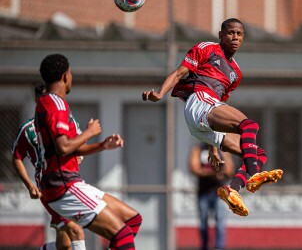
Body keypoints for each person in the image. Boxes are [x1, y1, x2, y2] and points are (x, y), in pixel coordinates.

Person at [142, 18, 283, 216]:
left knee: (259, 154)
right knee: (249, 125)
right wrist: (160, 93)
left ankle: (232, 189)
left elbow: (218, 113)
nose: (235, 37)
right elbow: (178, 74)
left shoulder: (236, 73)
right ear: (221, 35)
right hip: (198, 101)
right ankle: (253, 175)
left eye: (239, 34)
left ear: (243, 38)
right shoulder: (206, 48)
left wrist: (213, 148)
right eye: (230, 32)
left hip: (204, 121)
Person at [35, 54, 142, 250]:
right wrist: (89, 132)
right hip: (64, 185)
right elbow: (64, 147)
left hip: (66, 182)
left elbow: (68, 149)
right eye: (71, 73)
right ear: (66, 76)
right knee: (122, 234)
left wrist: (102, 145)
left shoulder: (49, 103)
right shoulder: (55, 104)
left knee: (132, 219)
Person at [12, 84, 86, 250]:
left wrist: (80, 155)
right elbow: (16, 158)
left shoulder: (67, 120)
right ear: (37, 100)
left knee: (65, 244)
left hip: (70, 180)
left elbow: (80, 141)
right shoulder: (27, 129)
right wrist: (30, 185)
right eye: (45, 97)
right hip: (49, 184)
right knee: (76, 230)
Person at [189, 142, 234, 250]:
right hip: (203, 191)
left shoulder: (223, 149)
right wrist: (213, 173)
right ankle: (204, 246)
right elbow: (194, 168)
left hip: (219, 192)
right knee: (203, 223)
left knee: (220, 222)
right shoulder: (199, 149)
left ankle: (219, 247)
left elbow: (229, 170)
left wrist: (216, 172)